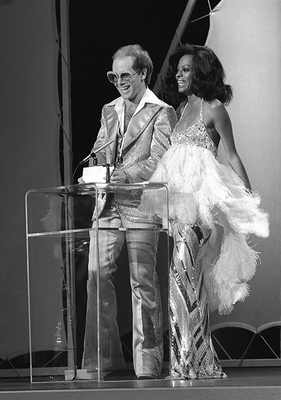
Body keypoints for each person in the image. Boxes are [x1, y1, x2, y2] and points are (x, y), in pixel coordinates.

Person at [141, 44, 269, 379]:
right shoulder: (182, 109)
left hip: (203, 210)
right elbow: (176, 165)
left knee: (183, 276)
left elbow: (232, 156)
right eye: (178, 70)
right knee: (184, 279)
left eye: (185, 69)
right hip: (181, 208)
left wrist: (245, 199)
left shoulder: (213, 109)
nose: (178, 75)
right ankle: (194, 363)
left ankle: (192, 362)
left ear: (200, 71)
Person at [79, 44, 177, 379]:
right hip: (106, 203)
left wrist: (127, 174)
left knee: (142, 283)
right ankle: (101, 359)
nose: (119, 81)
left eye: (125, 75)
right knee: (96, 275)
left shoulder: (161, 112)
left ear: (142, 73)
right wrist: (94, 165)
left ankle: (147, 361)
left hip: (139, 205)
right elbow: (99, 147)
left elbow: (160, 161)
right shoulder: (110, 110)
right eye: (114, 76)